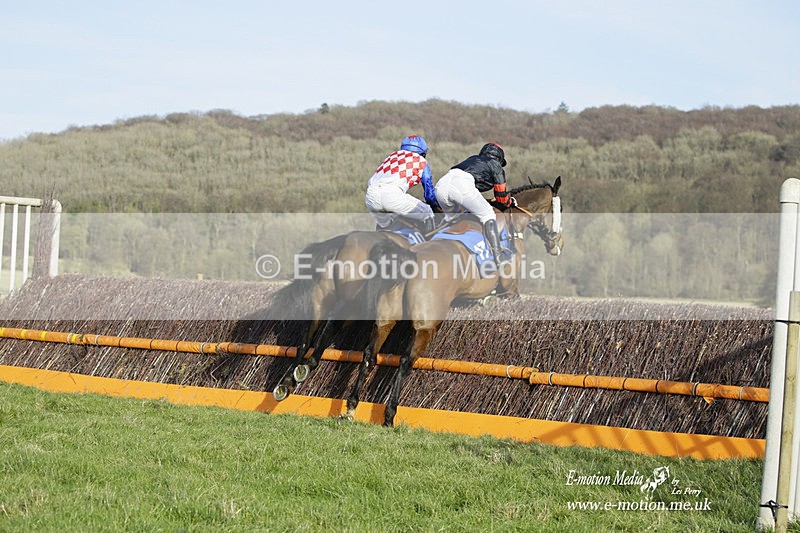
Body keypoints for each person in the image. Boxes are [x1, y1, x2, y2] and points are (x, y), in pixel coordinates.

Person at [434, 142, 514, 265]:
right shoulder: (496, 166)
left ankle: (430, 239)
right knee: (488, 214)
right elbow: (502, 198)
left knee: (452, 218)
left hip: (441, 186)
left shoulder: (472, 159)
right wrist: (510, 201)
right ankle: (498, 256)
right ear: (499, 159)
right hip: (461, 186)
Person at [365, 135, 439, 233]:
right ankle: (429, 243)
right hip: (392, 195)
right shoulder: (421, 160)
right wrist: (435, 206)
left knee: (386, 227)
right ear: (423, 153)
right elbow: (429, 192)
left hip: (371, 196)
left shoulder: (392, 156)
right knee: (428, 212)